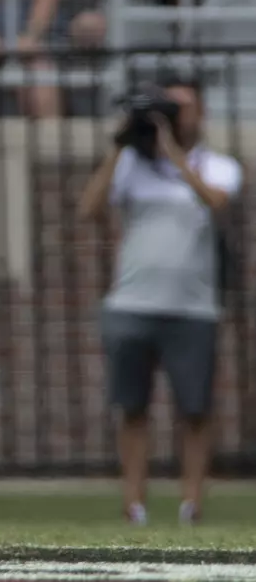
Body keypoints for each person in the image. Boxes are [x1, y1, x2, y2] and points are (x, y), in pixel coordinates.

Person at [76, 78, 240, 526]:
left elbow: (215, 202)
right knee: (132, 407)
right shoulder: (130, 165)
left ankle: (191, 502)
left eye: (179, 108)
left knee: (195, 408)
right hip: (131, 303)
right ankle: (135, 503)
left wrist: (174, 155)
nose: (170, 117)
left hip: (193, 308)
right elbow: (88, 210)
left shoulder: (218, 165)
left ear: (199, 113)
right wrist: (119, 145)